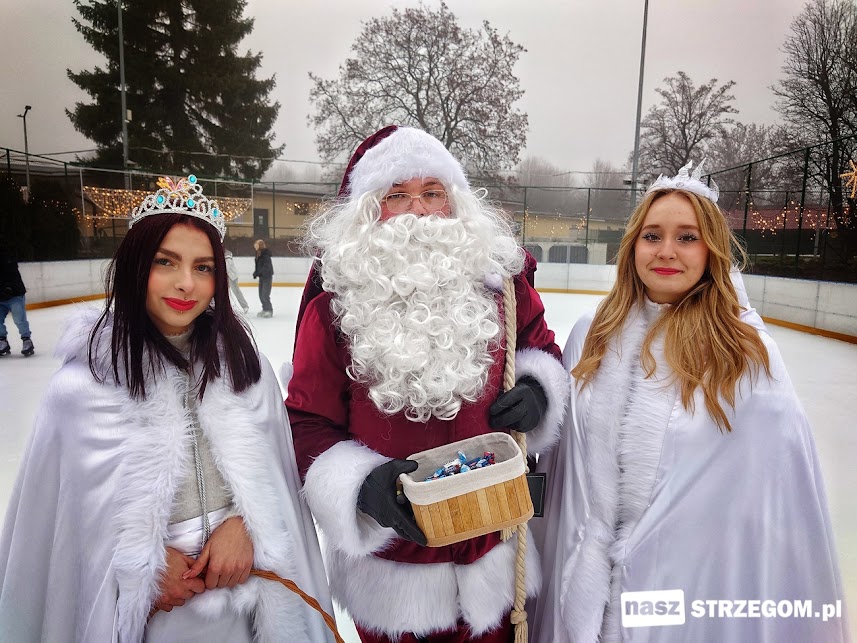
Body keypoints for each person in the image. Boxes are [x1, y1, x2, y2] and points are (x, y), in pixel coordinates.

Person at [0, 175, 334, 642]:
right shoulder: (80, 391)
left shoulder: (245, 371)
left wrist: (247, 526)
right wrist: (143, 563)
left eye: (203, 267)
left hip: (247, 605)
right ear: (136, 266)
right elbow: (63, 536)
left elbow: (278, 486)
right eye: (165, 262)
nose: (186, 284)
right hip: (146, 622)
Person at [531, 162, 849, 642]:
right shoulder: (590, 336)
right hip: (580, 592)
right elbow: (563, 470)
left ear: (711, 250)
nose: (666, 252)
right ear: (633, 245)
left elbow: (773, 495)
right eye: (652, 235)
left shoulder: (743, 355)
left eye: (687, 237)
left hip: (683, 591)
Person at [287, 126, 570, 642]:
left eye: (432, 193)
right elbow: (306, 421)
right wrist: (360, 486)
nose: (417, 209)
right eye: (396, 195)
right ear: (370, 211)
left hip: (498, 564)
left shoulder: (506, 292)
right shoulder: (331, 315)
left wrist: (538, 391)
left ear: (455, 204)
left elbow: (542, 352)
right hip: (396, 579)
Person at [0, 247, 34, 357]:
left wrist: (9, 287)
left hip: (15, 294)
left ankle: (26, 340)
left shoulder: (5, 255)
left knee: (19, 319)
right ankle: (2, 341)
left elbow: (13, 272)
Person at [224, 247, 249, 313]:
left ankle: (245, 306)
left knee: (236, 291)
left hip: (232, 277)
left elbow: (227, 265)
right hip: (227, 276)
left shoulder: (227, 254)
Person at [252, 239, 273, 318]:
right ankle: (264, 309)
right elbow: (258, 266)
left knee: (265, 294)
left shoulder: (265, 255)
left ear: (260, 245)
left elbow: (267, 266)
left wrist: (261, 272)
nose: (255, 246)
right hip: (262, 277)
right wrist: (256, 272)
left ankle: (269, 310)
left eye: (256, 244)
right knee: (261, 294)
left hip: (267, 277)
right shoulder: (258, 254)